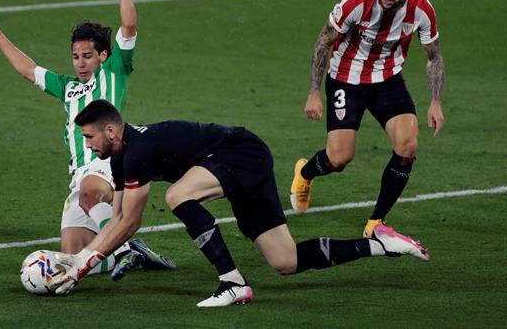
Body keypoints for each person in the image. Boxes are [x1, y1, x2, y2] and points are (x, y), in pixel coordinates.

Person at [49, 100, 430, 306]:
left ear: (111, 130)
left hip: (240, 152)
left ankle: (232, 282)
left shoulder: (138, 150)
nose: (88, 145)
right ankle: (382, 245)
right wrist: (81, 260)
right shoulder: (119, 157)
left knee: (177, 194)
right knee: (286, 261)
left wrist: (86, 262)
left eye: (90, 137)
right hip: (237, 163)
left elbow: (131, 223)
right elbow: (117, 220)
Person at [0, 0, 176, 279]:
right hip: (80, 172)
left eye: (87, 56)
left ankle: (125, 247)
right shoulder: (67, 88)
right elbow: (29, 70)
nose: (80, 63)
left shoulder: (115, 71)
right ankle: (133, 253)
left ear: (102, 55)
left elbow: (128, 24)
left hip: (109, 160)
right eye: (75, 56)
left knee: (90, 193)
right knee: (75, 256)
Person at [291, 0, 445, 237]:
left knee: (408, 147)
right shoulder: (357, 1)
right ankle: (305, 173)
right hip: (345, 80)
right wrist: (314, 91)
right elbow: (324, 42)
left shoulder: (422, 9)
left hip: (387, 80)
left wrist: (435, 102)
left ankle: (376, 223)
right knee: (338, 158)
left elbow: (434, 56)